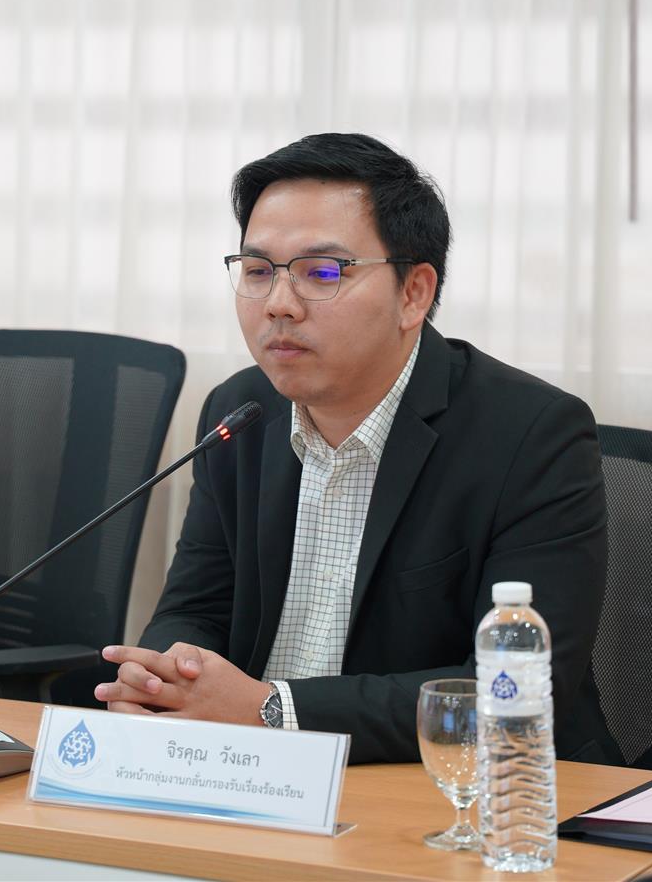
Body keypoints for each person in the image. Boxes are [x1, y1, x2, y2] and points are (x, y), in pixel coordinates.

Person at [95, 132, 615, 765]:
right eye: (257, 272)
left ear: (413, 293)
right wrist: (163, 683)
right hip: (252, 775)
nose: (279, 305)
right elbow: (195, 608)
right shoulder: (239, 414)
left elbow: (514, 690)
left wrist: (273, 710)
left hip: (457, 787)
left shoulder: (532, 435)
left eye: (322, 273)